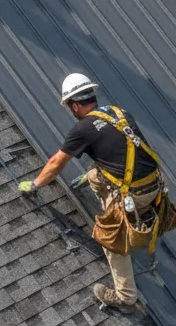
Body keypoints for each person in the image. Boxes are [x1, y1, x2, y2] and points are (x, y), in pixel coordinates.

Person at [18, 73, 163, 313]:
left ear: (74, 104)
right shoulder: (119, 112)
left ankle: (125, 297)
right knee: (95, 173)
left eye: (70, 107)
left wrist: (35, 184)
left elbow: (56, 163)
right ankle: (140, 211)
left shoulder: (82, 129)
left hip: (132, 195)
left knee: (110, 239)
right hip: (154, 186)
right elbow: (126, 150)